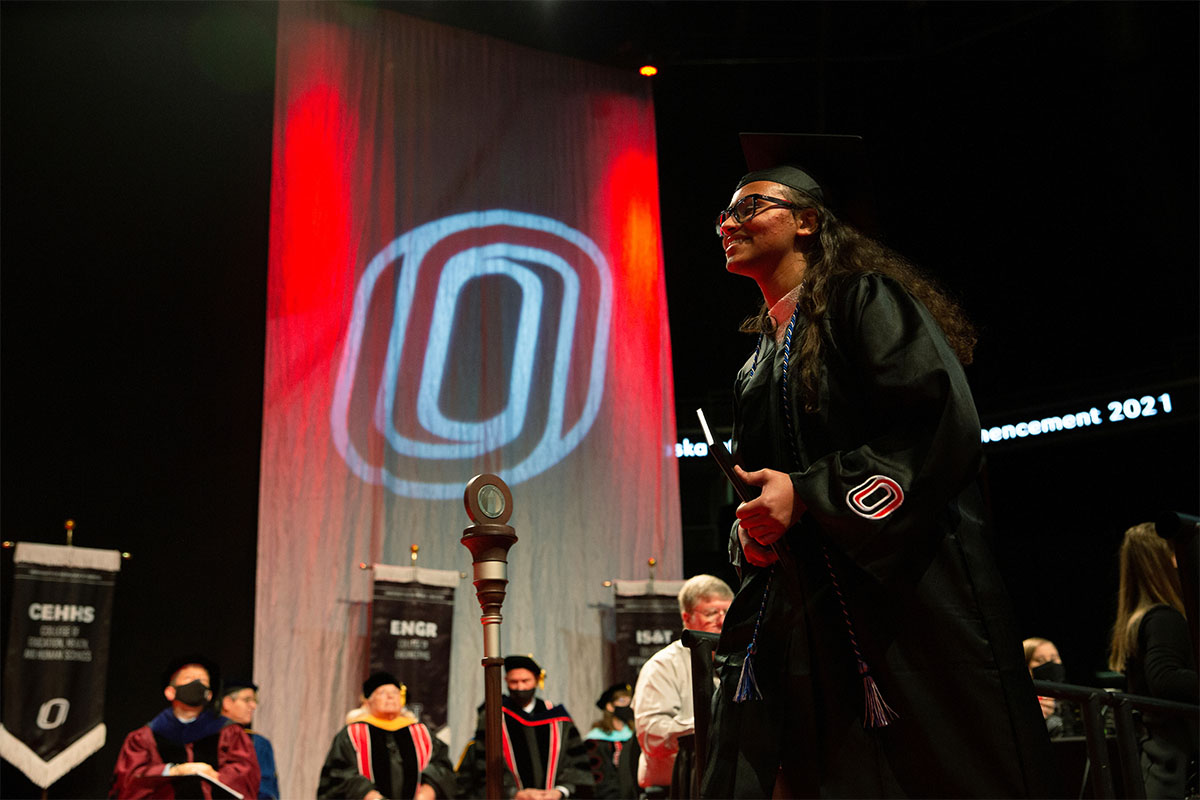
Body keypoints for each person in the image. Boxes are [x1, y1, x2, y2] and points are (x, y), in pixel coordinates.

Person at [703, 133, 1058, 798]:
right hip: (808, 619)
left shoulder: (864, 302)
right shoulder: (755, 365)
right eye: (723, 214)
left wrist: (809, 495)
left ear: (807, 220)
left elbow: (936, 426)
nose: (728, 222)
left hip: (905, 603)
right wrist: (749, 534)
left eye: (749, 206)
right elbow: (762, 490)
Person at [1108, 522, 1198, 799]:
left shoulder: (1142, 619)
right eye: (1174, 554)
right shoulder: (1164, 618)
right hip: (1177, 772)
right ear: (1164, 561)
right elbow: (1165, 679)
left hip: (1161, 766)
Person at [633, 575, 732, 798]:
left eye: (728, 612)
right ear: (687, 618)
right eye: (711, 613)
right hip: (675, 792)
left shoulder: (741, 661)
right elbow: (652, 735)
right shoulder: (662, 666)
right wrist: (714, 725)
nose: (722, 620)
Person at [110, 655, 260, 799]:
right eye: (189, 679)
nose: (197, 685)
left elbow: (246, 776)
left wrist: (216, 775)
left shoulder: (229, 733)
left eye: (203, 681)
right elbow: (128, 781)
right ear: (170, 692)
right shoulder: (144, 737)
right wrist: (173, 770)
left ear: (208, 695)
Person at [456, 655, 592, 800]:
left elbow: (576, 762)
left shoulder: (557, 718)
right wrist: (513, 793)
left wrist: (560, 791)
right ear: (506, 681)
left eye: (525, 681)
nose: (520, 687)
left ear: (537, 680)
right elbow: (483, 764)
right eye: (514, 682)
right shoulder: (494, 715)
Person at [220, 679, 279, 799]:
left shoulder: (258, 743)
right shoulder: (204, 737)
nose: (253, 706)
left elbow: (266, 789)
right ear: (227, 703)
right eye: (247, 700)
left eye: (254, 701)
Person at [1023, 637, 1083, 739]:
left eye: (1054, 658)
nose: (1050, 664)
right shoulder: (1021, 702)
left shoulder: (1072, 699)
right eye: (1040, 660)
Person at [583, 683, 635, 799]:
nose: (628, 706)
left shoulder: (633, 735)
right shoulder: (596, 739)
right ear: (610, 706)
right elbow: (598, 776)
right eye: (622, 701)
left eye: (630, 701)